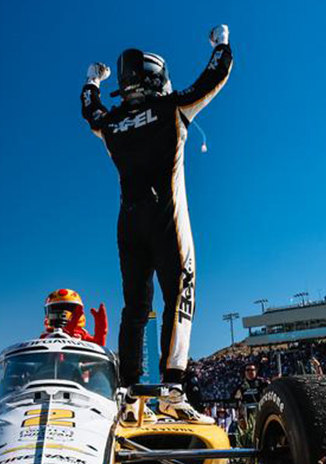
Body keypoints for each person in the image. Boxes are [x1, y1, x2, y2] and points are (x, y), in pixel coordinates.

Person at [81, 24, 232, 423]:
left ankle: (129, 394)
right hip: (167, 220)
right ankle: (173, 389)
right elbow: (213, 77)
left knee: (135, 306)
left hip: (128, 224)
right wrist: (222, 43)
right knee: (179, 297)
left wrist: (93, 81)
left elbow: (89, 111)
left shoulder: (111, 125)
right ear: (156, 78)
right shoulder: (172, 108)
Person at [42, 288, 108, 346]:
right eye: (55, 308)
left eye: (69, 308)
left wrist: (101, 332)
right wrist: (67, 330)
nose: (62, 312)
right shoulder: (47, 336)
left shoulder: (82, 333)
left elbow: (97, 347)